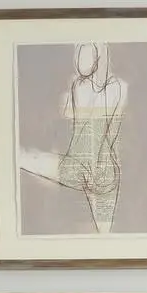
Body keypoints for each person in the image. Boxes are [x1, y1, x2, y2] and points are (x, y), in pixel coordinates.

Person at [18, 42, 126, 233]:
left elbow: (107, 134)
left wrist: (97, 168)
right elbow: (81, 134)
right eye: (80, 56)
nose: (80, 62)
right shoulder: (78, 86)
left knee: (106, 236)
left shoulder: (116, 88)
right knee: (23, 157)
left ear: (99, 57)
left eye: (87, 56)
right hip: (81, 167)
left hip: (101, 172)